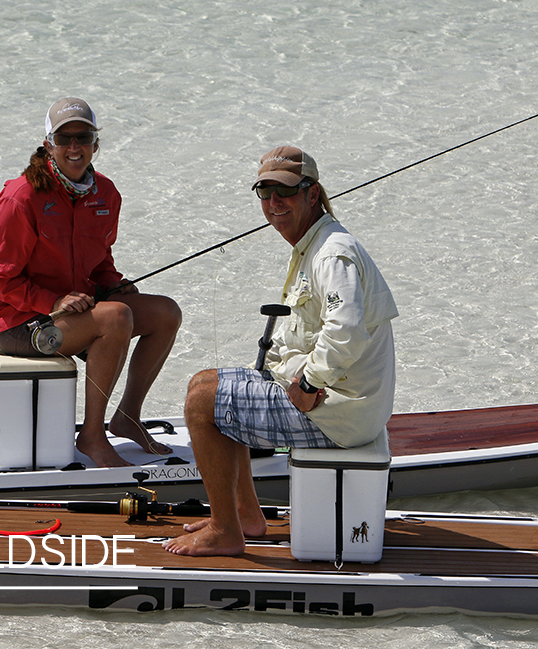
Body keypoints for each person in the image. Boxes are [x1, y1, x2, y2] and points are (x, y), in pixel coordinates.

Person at [164, 146, 398, 556]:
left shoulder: (332, 253)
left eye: (286, 191)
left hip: (336, 411)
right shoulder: (316, 242)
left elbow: (346, 329)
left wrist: (308, 382)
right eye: (265, 192)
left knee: (203, 404)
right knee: (205, 382)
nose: (274, 203)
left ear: (313, 194)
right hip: (334, 398)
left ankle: (225, 531)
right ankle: (244, 513)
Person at [0, 98, 183, 468]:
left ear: (95, 143)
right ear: (48, 145)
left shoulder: (106, 193)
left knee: (165, 312)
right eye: (64, 138)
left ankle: (128, 417)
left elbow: (101, 259)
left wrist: (113, 282)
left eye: (83, 137)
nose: (74, 147)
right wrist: (53, 301)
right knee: (116, 317)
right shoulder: (20, 197)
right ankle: (92, 436)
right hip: (19, 323)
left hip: (77, 310)